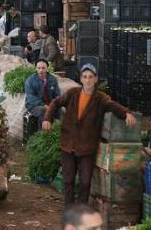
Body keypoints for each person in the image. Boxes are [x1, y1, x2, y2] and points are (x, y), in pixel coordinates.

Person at [42, 63, 136, 205]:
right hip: (69, 144)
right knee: (68, 181)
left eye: (90, 77)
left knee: (85, 182)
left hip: (87, 147)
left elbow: (113, 105)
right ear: (81, 79)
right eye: (85, 77)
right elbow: (55, 102)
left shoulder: (101, 98)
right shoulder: (72, 93)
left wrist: (126, 113)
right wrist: (47, 118)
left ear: (96, 79)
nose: (87, 80)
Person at [25, 59, 62, 129]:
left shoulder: (53, 79)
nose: (41, 70)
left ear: (47, 68)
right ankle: (42, 134)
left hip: (50, 103)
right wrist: (44, 105)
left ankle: (59, 132)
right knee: (44, 111)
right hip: (34, 105)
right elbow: (31, 97)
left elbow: (57, 94)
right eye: (39, 68)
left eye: (43, 68)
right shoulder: (30, 80)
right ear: (36, 68)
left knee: (61, 111)